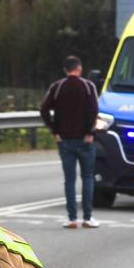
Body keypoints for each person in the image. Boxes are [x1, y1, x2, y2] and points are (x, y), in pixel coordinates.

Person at [40, 55, 100, 229]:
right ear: (79, 68)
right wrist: (90, 132)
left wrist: (55, 130)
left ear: (65, 70)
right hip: (85, 140)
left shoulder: (57, 87)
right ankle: (88, 217)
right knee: (88, 177)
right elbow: (94, 110)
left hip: (64, 140)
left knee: (69, 180)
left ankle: (72, 218)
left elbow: (44, 110)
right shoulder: (88, 86)